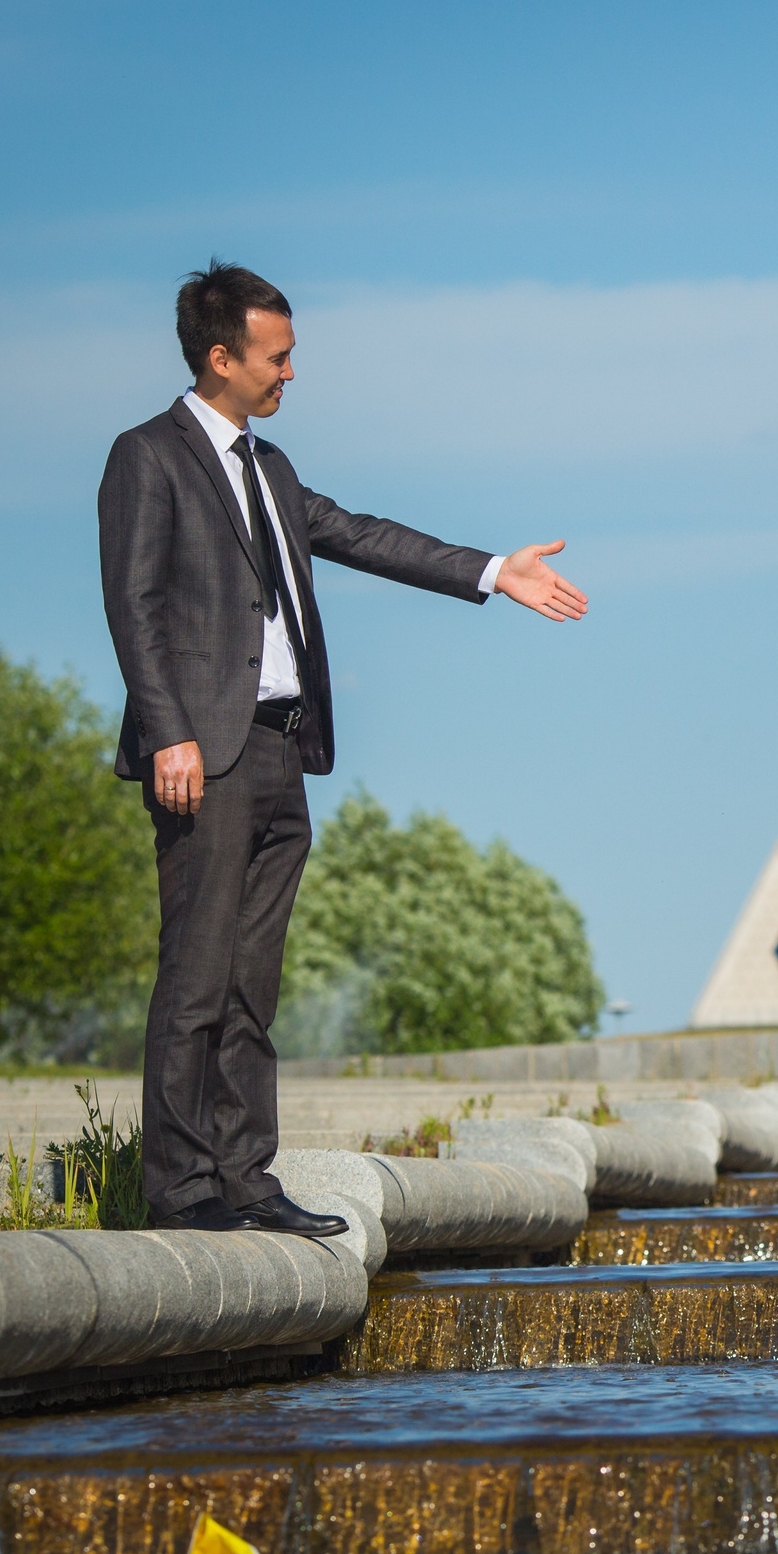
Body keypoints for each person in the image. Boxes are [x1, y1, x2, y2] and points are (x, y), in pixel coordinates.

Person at [99, 262, 589, 1233]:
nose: (291, 372)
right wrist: (169, 732)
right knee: (196, 978)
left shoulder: (272, 470)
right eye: (277, 357)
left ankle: (246, 1177)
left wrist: (494, 571)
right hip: (203, 753)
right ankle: (180, 1189)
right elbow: (133, 603)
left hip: (282, 750)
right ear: (222, 357)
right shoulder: (146, 456)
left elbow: (362, 535)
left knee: (253, 984)